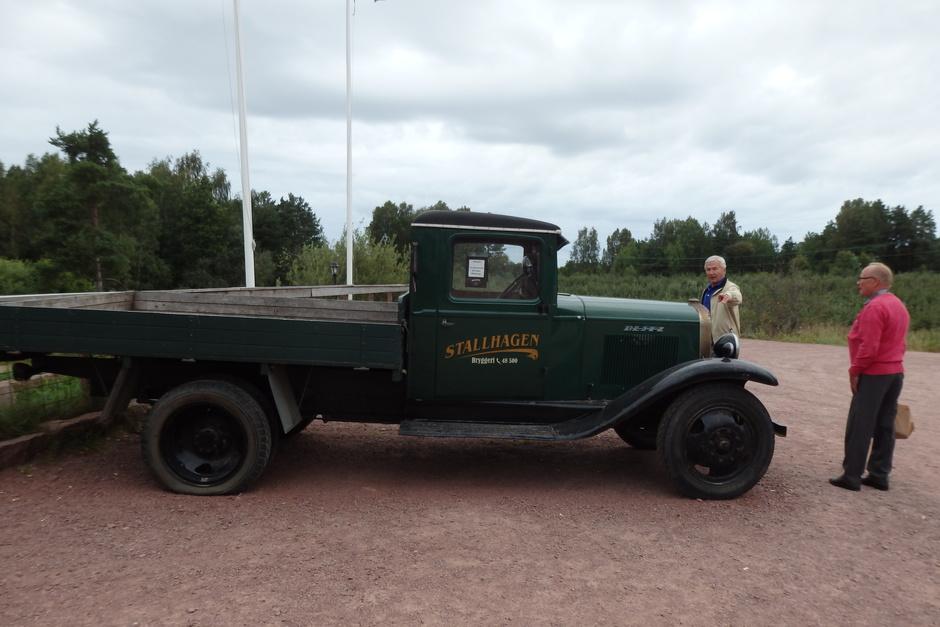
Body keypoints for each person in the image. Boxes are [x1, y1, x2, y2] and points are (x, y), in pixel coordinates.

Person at [829, 262, 909, 492]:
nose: (859, 283)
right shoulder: (898, 305)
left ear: (875, 282)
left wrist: (854, 370)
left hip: (875, 373)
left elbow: (869, 348)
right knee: (885, 424)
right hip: (895, 373)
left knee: (860, 424)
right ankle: (879, 474)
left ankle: (851, 475)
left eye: (862, 279)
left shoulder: (875, 307)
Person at [701, 255, 742, 339]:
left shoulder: (730, 287)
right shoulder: (706, 290)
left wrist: (729, 295)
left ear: (724, 270)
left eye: (715, 269)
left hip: (725, 339)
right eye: (708, 269)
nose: (711, 273)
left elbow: (737, 296)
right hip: (706, 339)